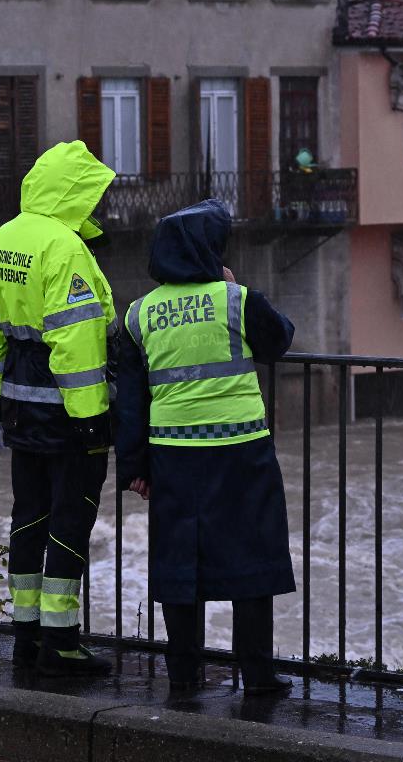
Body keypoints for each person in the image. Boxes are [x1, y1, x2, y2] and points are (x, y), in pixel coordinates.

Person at [115, 199, 296, 695]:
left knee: (180, 563)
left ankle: (183, 675)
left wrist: (134, 465)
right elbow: (278, 341)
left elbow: (129, 401)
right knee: (252, 563)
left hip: (173, 454)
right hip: (241, 451)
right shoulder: (236, 300)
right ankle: (258, 676)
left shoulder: (139, 315)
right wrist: (235, 286)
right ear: (209, 252)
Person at [0, 141, 117, 677]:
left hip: (17, 405)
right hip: (66, 411)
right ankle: (61, 641)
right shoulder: (65, 248)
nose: (98, 205)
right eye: (92, 193)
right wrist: (91, 419)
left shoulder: (3, 238)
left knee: (28, 519)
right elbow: (76, 342)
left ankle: (25, 635)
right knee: (70, 521)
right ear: (73, 192)